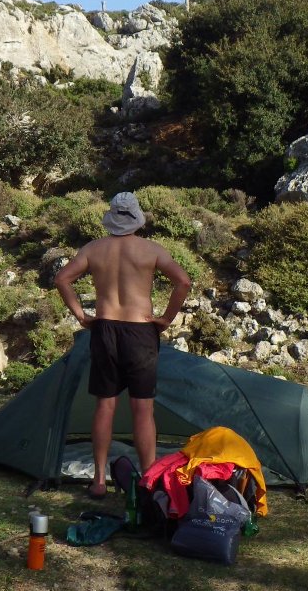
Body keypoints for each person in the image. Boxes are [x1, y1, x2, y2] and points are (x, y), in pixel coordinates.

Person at [54, 191, 193, 499]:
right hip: (141, 331)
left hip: (104, 328)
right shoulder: (150, 250)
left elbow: (62, 279)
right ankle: (150, 479)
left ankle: (100, 480)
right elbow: (183, 281)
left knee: (105, 406)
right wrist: (167, 318)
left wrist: (80, 315)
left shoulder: (93, 249)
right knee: (143, 409)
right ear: (137, 218)